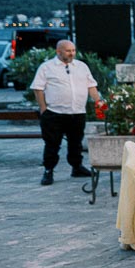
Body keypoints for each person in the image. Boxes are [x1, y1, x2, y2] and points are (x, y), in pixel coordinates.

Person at [30, 39, 101, 186]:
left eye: (73, 50)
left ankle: (77, 167)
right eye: (68, 51)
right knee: (52, 144)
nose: (72, 53)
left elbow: (91, 86)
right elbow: (38, 88)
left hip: (77, 112)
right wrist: (43, 108)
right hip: (54, 112)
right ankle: (48, 170)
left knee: (76, 143)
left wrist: (98, 103)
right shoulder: (47, 67)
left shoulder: (81, 67)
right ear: (59, 51)